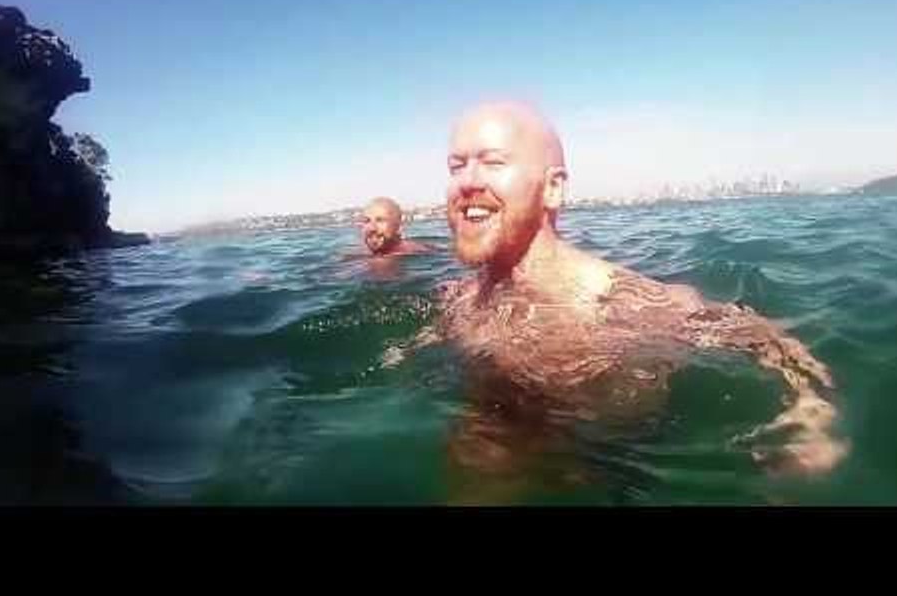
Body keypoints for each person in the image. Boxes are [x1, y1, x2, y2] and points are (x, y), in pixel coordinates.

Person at [386, 101, 847, 480]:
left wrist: (812, 412)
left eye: (492, 162)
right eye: (456, 165)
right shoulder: (459, 296)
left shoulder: (614, 300)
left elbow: (759, 335)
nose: (466, 181)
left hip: (612, 471)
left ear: (553, 188)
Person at [359, 197, 430, 257]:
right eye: (367, 221)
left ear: (399, 225)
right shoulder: (368, 253)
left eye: (380, 220)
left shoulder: (401, 253)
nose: (372, 228)